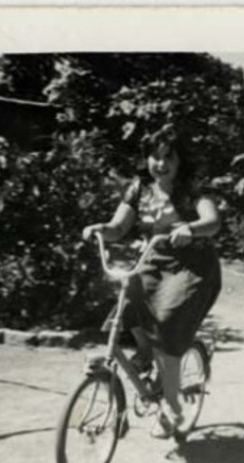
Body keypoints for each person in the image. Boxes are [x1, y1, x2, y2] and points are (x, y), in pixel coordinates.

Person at [82, 126, 222, 439]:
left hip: (192, 267)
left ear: (179, 160)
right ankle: (147, 354)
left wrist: (191, 228)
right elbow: (118, 228)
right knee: (128, 300)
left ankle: (172, 407)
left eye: (167, 157)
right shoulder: (138, 189)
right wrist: (100, 228)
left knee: (168, 321)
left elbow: (213, 222)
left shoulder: (191, 190)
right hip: (153, 260)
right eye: (154, 157)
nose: (160, 164)